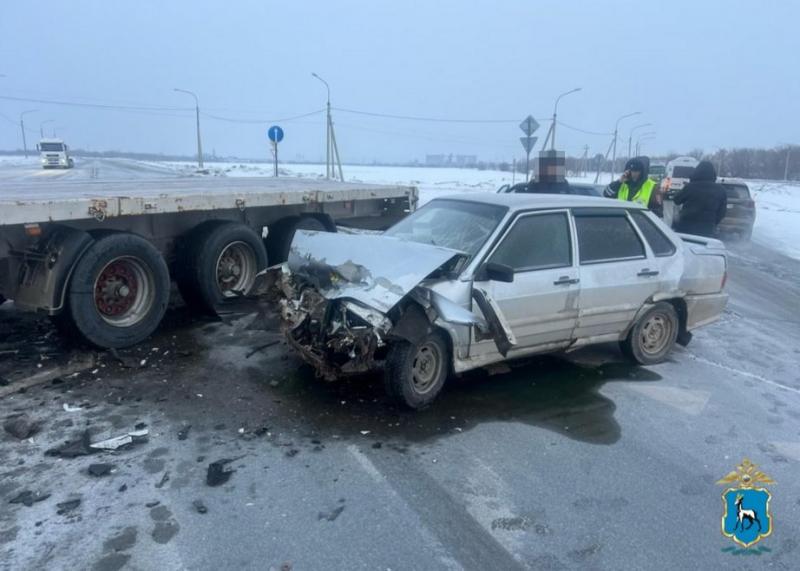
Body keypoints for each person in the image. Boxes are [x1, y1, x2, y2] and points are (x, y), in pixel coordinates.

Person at [671, 160, 727, 237]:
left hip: (685, 226)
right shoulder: (720, 190)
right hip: (707, 228)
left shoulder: (690, 187)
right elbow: (722, 213)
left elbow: (676, 200)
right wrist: (713, 222)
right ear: (713, 174)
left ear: (696, 172)